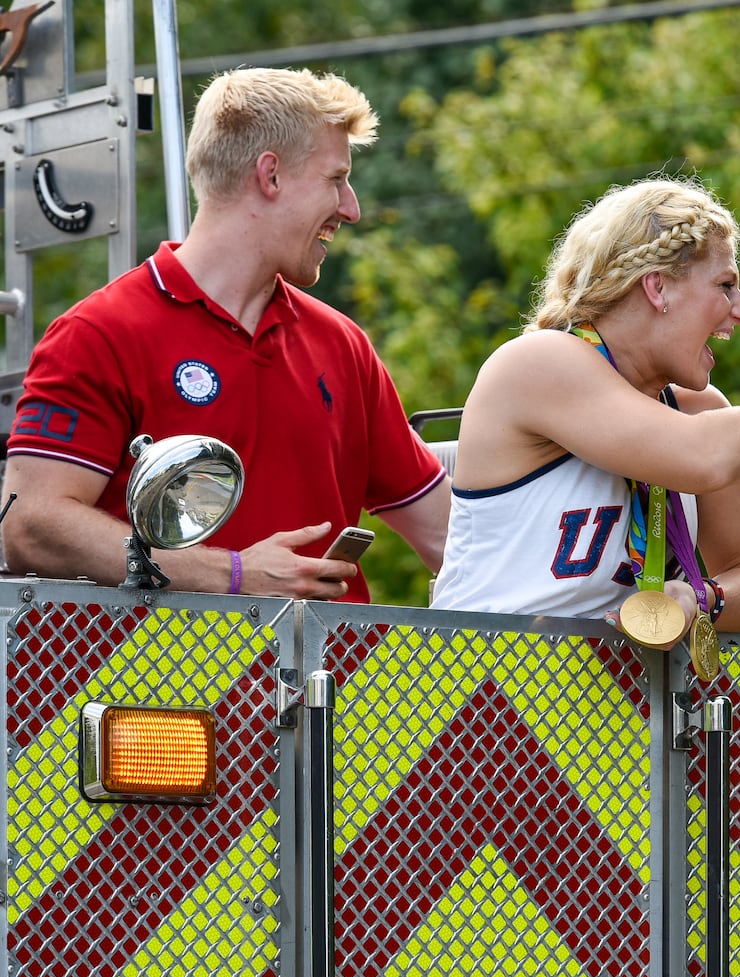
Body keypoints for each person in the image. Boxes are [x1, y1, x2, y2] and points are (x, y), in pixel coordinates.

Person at [0, 67, 449, 602]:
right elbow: (30, 526)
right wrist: (233, 575)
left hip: (323, 686)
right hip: (150, 687)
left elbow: (449, 536)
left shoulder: (343, 344)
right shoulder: (99, 333)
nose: (350, 208)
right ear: (271, 175)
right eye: (335, 179)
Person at [429, 175, 740, 638]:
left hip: (615, 707)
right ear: (657, 287)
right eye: (725, 285)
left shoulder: (700, 412)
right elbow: (706, 457)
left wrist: (702, 599)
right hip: (481, 695)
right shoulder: (538, 363)